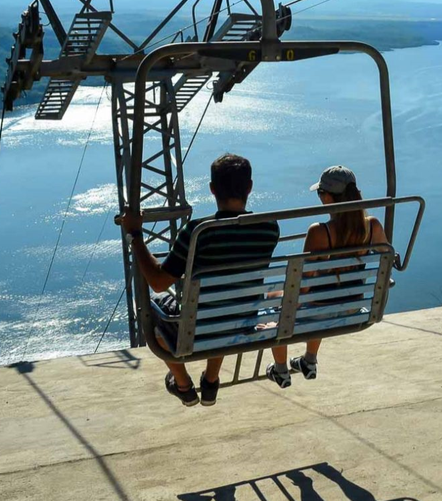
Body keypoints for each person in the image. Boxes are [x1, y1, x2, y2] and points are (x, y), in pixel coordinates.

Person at [122, 153, 280, 407]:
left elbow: (159, 282)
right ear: (249, 187)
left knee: (153, 306)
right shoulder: (269, 227)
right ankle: (210, 380)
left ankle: (183, 384)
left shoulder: (198, 232)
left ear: (212, 189)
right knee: (225, 301)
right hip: (242, 321)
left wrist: (136, 235)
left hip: (200, 327)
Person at [267, 165, 387, 389]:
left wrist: (283, 302)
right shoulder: (372, 226)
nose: (320, 197)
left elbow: (303, 286)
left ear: (329, 197)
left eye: (321, 193)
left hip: (320, 310)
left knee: (275, 298)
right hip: (353, 308)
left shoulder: (319, 232)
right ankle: (309, 361)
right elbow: (387, 256)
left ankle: (280, 369)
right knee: (323, 294)